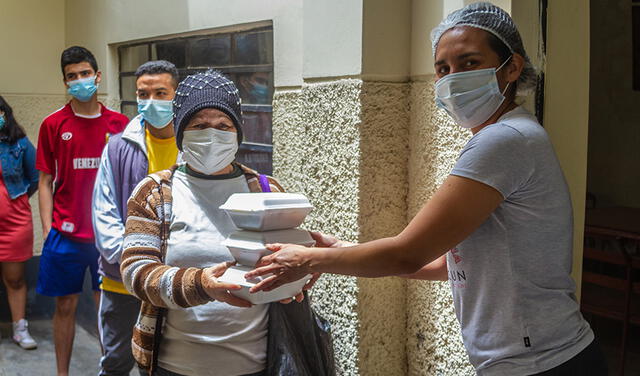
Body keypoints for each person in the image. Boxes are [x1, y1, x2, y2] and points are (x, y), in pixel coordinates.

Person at [247, 3, 608, 376]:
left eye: (469, 63)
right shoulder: (510, 135)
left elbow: (407, 254)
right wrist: (343, 251)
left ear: (512, 68)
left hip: (545, 363)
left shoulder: (504, 141)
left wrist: (307, 259)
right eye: (443, 69)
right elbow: (443, 262)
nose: (453, 78)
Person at [120, 70, 323, 376]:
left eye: (223, 126)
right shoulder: (155, 193)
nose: (212, 134)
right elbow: (136, 272)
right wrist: (202, 285)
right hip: (175, 365)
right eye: (199, 125)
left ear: (237, 132)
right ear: (181, 131)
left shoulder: (266, 191)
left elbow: (289, 258)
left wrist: (299, 275)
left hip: (256, 364)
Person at [35, 46, 128, 376]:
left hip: (108, 237)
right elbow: (44, 180)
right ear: (65, 82)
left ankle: (111, 370)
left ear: (97, 76)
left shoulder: (120, 125)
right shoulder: (53, 124)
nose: (80, 81)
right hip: (66, 235)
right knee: (65, 306)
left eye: (85, 74)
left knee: (108, 310)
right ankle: (63, 373)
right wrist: (48, 230)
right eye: (72, 77)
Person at [92, 60, 180, 376]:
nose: (151, 102)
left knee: (164, 364)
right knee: (115, 362)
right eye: (144, 94)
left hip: (175, 280)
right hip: (122, 282)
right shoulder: (118, 148)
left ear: (176, 95)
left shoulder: (192, 146)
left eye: (161, 93)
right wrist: (134, 263)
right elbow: (104, 214)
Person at [0, 96, 38, 350]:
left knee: (15, 279)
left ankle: (20, 329)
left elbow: (36, 179)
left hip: (14, 225)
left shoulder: (20, 143)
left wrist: (15, 203)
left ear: (5, 112)